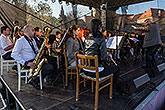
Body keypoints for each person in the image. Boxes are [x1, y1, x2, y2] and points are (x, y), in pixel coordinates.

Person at [11, 25, 55, 89]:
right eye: (32, 30)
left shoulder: (33, 40)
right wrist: (26, 63)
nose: (34, 32)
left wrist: (40, 52)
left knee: (50, 66)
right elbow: (14, 54)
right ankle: (35, 80)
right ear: (26, 31)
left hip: (35, 60)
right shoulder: (20, 41)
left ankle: (35, 80)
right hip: (28, 62)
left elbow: (36, 51)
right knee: (49, 67)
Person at [84, 19, 120, 92]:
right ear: (99, 27)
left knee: (104, 65)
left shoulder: (87, 38)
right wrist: (109, 57)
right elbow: (105, 58)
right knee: (117, 68)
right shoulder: (101, 39)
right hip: (95, 71)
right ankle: (112, 90)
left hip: (85, 69)